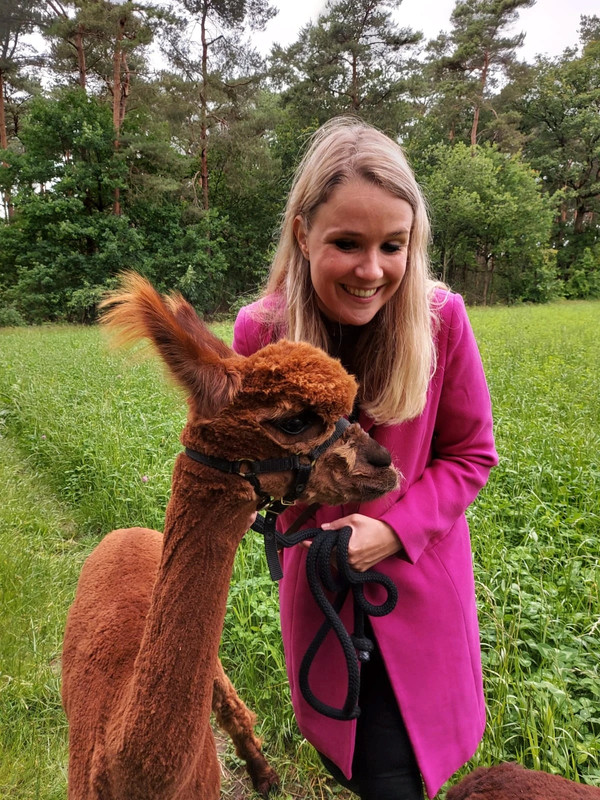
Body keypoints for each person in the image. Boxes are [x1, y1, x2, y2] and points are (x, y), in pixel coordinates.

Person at [232, 116, 498, 800]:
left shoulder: (441, 321)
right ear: (302, 234)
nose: (371, 269)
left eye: (392, 245)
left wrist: (393, 531)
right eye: (347, 243)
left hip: (418, 595)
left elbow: (471, 454)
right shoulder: (261, 332)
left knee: (395, 775)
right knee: (350, 757)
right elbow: (241, 464)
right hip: (321, 598)